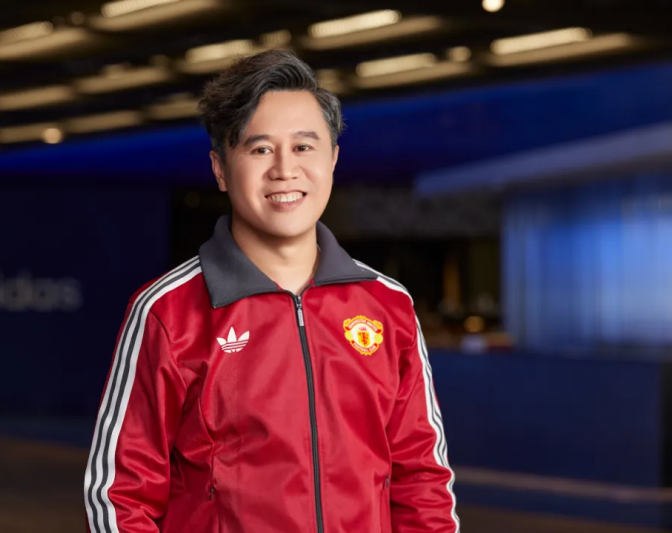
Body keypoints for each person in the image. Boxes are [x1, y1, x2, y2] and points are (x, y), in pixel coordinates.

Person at [84, 49, 459, 533]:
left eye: (304, 147)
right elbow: (119, 495)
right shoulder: (168, 312)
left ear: (333, 158)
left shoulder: (388, 305)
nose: (285, 169)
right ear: (220, 168)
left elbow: (423, 480)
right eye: (260, 149)